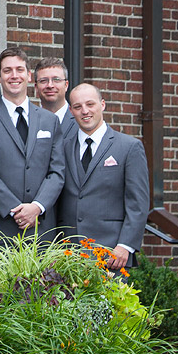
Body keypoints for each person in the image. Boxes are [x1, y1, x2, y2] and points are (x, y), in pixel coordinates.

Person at [0, 46, 64, 245]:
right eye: (7, 70)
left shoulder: (49, 121)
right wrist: (15, 209)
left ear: (29, 76)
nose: (14, 76)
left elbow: (57, 171)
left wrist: (37, 207)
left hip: (40, 229)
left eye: (19, 70)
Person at [56, 82, 150, 270]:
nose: (85, 111)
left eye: (90, 104)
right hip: (68, 255)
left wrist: (125, 246)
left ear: (102, 105)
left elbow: (138, 203)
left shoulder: (128, 147)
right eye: (77, 107)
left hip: (112, 254)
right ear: (71, 111)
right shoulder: (63, 148)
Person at [33, 58, 77, 140]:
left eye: (56, 80)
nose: (50, 85)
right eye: (43, 80)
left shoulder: (79, 121)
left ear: (66, 85)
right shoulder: (30, 122)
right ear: (36, 87)